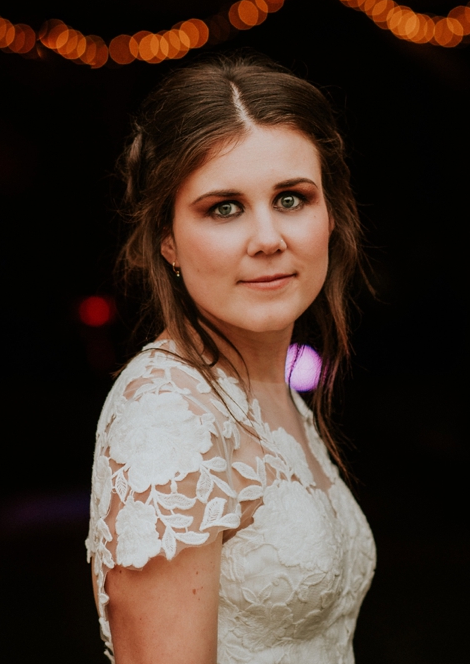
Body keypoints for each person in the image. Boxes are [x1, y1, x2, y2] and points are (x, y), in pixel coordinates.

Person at [84, 54, 375, 663]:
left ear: (331, 215)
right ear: (166, 237)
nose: (268, 238)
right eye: (224, 207)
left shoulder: (273, 391)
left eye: (292, 198)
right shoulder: (168, 415)